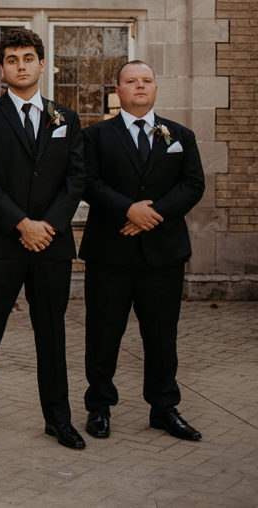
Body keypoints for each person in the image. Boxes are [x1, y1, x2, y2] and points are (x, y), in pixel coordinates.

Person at [0, 28, 86, 452]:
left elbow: (76, 177)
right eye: (12, 59)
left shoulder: (66, 117)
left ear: (42, 64)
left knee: (51, 334)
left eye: (28, 58)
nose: (21, 65)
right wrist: (21, 224)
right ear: (2, 68)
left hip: (53, 243)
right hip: (0, 243)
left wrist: (47, 224)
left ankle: (59, 419)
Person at [80, 60, 205, 441]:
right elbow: (88, 182)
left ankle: (164, 407)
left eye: (146, 81)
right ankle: (99, 407)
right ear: (117, 90)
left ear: (155, 89)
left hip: (162, 254)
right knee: (103, 333)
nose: (139, 86)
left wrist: (153, 215)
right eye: (131, 81)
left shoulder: (180, 134)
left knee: (162, 334)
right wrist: (127, 209)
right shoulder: (95, 136)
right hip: (109, 252)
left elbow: (193, 184)